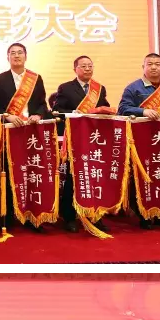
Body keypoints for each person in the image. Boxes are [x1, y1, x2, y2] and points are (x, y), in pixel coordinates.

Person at [118, 53, 160, 230]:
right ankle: (144, 215)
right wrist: (143, 112)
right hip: (142, 141)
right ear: (143, 67)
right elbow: (123, 109)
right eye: (150, 64)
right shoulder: (133, 88)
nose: (154, 67)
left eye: (157, 64)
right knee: (143, 176)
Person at [0, 43, 49, 233]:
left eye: (20, 53)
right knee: (9, 173)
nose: (16, 56)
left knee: (32, 173)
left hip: (31, 132)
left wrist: (38, 115)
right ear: (7, 57)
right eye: (13, 53)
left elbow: (42, 104)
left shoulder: (35, 78)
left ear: (25, 56)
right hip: (10, 132)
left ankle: (32, 216)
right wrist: (7, 115)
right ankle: (8, 217)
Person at [52, 56, 112, 232]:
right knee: (74, 176)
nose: (87, 69)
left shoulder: (99, 89)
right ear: (75, 69)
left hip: (94, 139)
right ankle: (69, 217)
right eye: (83, 66)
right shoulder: (65, 88)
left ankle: (95, 215)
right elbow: (57, 110)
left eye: (90, 66)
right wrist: (74, 112)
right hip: (75, 137)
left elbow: (105, 107)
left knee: (95, 176)